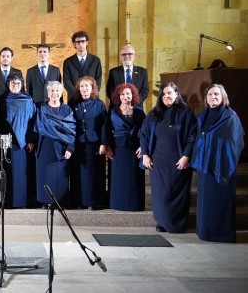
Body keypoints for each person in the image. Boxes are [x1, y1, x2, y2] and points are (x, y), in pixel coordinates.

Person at [139, 82, 196, 233]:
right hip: (158, 161)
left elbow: (192, 136)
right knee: (160, 194)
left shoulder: (186, 113)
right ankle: (162, 223)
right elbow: (143, 134)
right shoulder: (154, 113)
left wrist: (186, 156)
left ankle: (177, 224)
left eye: (170, 93)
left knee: (177, 193)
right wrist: (145, 155)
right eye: (163, 94)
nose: (166, 96)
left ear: (177, 94)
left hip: (179, 160)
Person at [191, 84, 245, 243]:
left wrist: (220, 152)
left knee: (220, 201)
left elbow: (236, 140)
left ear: (223, 97)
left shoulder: (230, 116)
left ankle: (222, 234)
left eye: (216, 94)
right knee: (205, 200)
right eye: (209, 95)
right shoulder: (202, 115)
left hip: (223, 165)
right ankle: (205, 232)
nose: (213, 97)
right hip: (205, 165)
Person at [0, 72, 37, 208]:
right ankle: (9, 201)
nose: (15, 86)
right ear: (8, 84)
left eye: (18, 83)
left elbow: (32, 121)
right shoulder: (3, 99)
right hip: (7, 140)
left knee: (23, 172)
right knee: (8, 171)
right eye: (13, 83)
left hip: (23, 142)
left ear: (22, 84)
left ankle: (23, 201)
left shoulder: (28, 99)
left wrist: (31, 139)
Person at [101, 83, 146, 211]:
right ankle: (118, 204)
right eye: (122, 94)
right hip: (117, 149)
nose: (126, 96)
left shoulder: (139, 111)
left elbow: (145, 130)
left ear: (133, 96)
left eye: (128, 94)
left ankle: (134, 205)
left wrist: (143, 147)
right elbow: (106, 129)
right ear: (118, 97)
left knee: (134, 178)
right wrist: (107, 146)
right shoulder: (113, 111)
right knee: (118, 178)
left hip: (135, 149)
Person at [34, 81, 75, 207]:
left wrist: (70, 148)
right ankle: (44, 201)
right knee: (45, 175)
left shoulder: (66, 109)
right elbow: (37, 128)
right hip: (45, 146)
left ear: (61, 93)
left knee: (59, 176)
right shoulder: (42, 108)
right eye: (52, 91)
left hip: (61, 147)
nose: (55, 93)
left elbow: (72, 130)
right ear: (48, 93)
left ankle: (59, 201)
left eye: (57, 91)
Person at [69, 77, 107, 210]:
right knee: (77, 174)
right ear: (78, 89)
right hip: (77, 144)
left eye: (87, 86)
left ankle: (92, 201)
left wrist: (104, 143)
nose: (84, 89)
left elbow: (104, 126)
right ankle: (78, 201)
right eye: (82, 86)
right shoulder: (73, 104)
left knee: (92, 174)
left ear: (92, 88)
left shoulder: (99, 104)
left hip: (94, 144)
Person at [62, 31, 102, 100]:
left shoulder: (95, 60)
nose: (81, 44)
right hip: (74, 98)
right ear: (74, 44)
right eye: (78, 42)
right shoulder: (68, 62)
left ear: (87, 42)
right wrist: (78, 94)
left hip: (92, 98)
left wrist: (90, 93)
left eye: (83, 41)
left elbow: (98, 80)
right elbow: (66, 82)